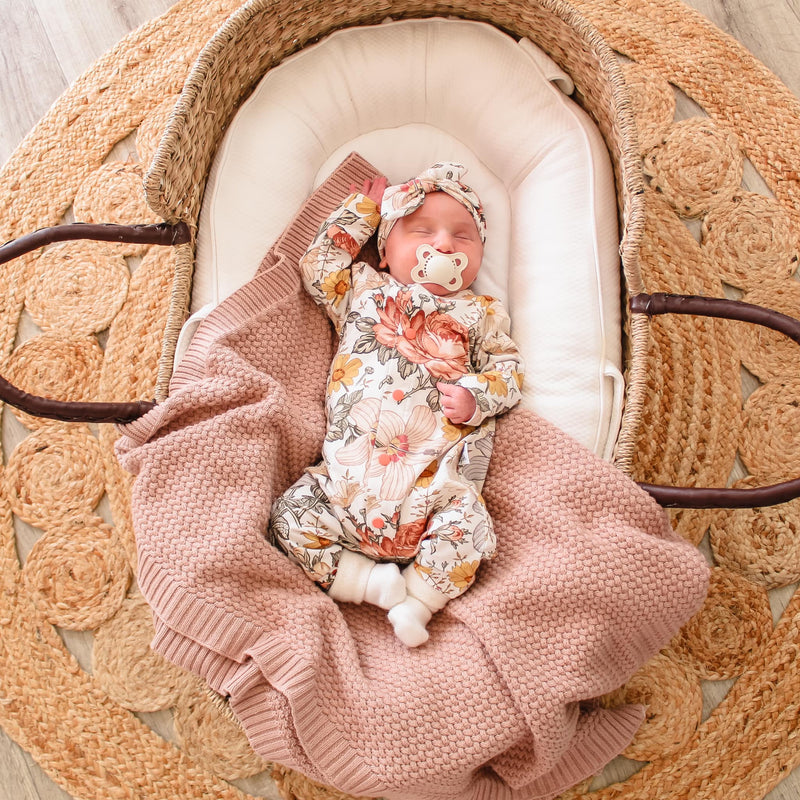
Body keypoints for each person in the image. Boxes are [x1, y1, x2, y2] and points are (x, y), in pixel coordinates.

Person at [269, 163, 524, 646]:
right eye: (423, 231)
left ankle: (418, 600)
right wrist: (361, 214)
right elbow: (317, 268)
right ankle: (368, 584)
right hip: (345, 481)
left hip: (433, 488)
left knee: (469, 528)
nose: (444, 244)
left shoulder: (482, 313)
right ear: (385, 253)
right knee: (289, 516)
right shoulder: (365, 289)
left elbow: (510, 372)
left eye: (463, 237)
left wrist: (476, 397)